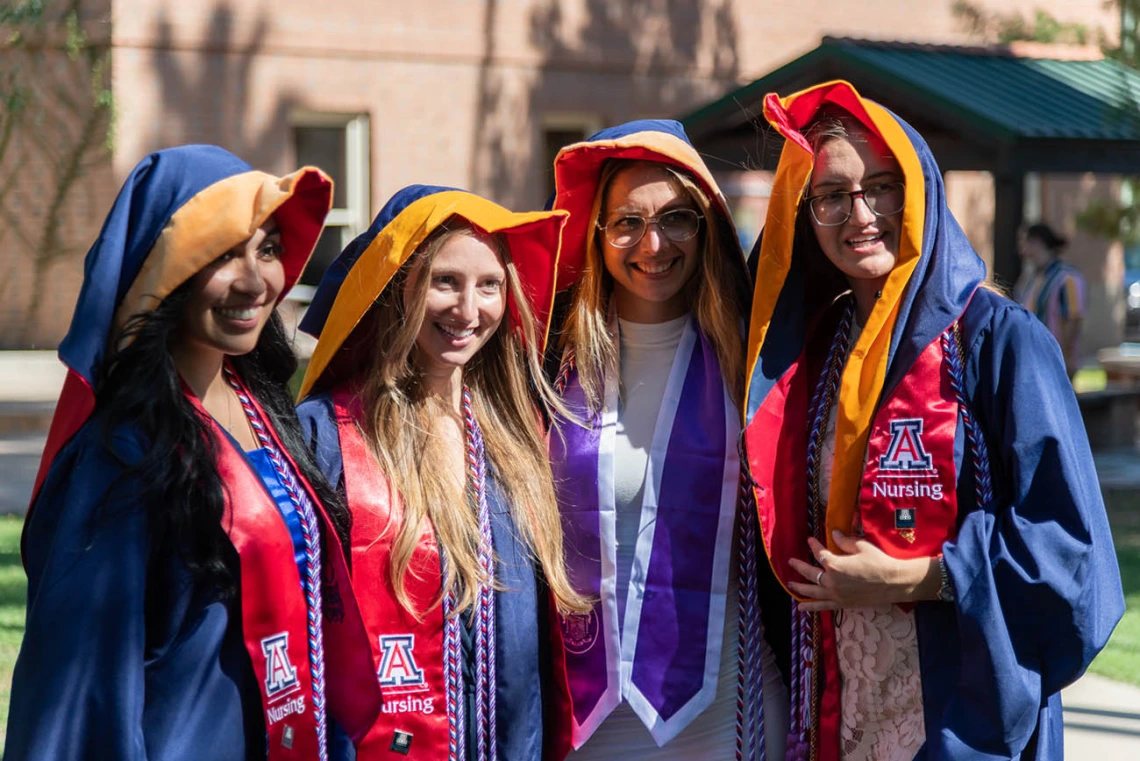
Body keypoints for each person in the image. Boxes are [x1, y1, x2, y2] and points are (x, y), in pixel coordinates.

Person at [742, 80, 1123, 761]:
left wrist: (917, 576)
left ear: (920, 191)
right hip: (839, 709)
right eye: (832, 194)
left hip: (962, 714)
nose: (860, 213)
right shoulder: (815, 351)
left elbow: (1074, 557)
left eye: (882, 185)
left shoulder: (1001, 342)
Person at [5, 145, 381, 761]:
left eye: (267, 249)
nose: (255, 281)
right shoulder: (121, 457)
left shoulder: (270, 413)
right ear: (164, 271)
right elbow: (83, 690)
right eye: (221, 254)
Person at [295, 185, 591, 761]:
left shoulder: (517, 435)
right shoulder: (329, 436)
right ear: (395, 291)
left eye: (489, 286)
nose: (468, 309)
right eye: (444, 281)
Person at [545, 120, 788, 760]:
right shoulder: (545, 363)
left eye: (676, 218)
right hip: (583, 717)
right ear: (597, 235)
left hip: (726, 710)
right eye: (626, 221)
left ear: (706, 226)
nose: (652, 244)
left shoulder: (755, 360)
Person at [1017, 222, 1086, 378]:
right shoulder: (1032, 278)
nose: (1022, 250)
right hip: (1035, 357)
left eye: (1025, 242)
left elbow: (1073, 319)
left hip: (1055, 360)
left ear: (1036, 242)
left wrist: (1064, 358)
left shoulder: (1066, 278)